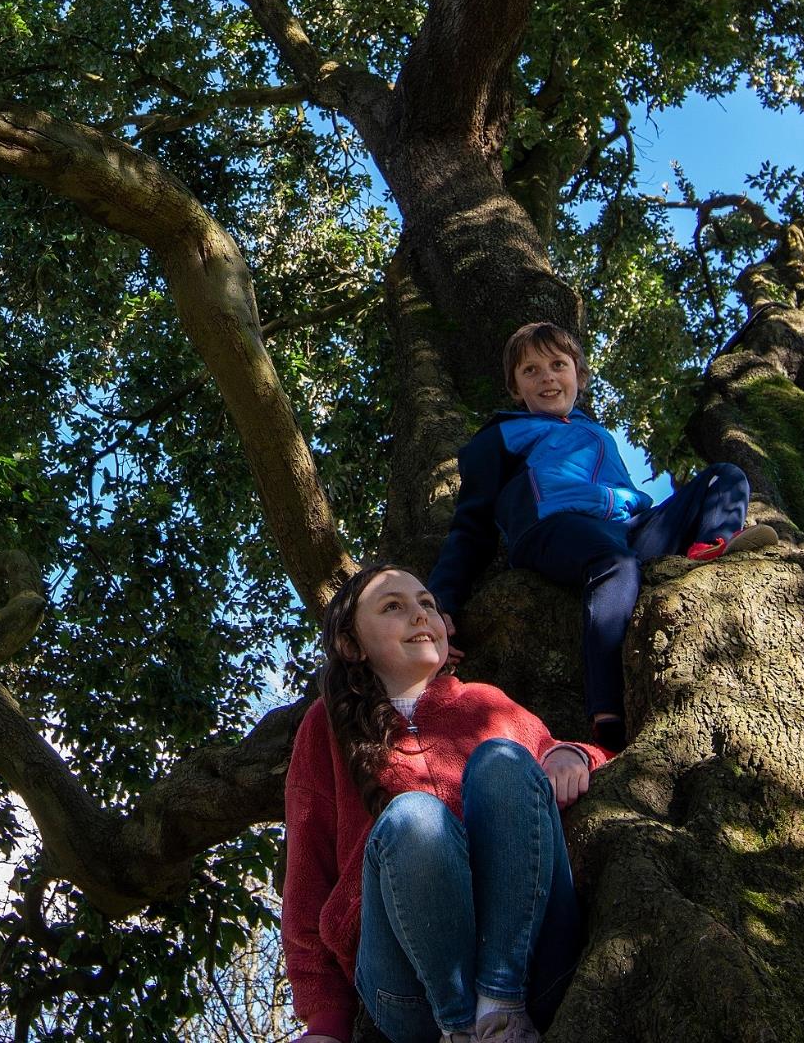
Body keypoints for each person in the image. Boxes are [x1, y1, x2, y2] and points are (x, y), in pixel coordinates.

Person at [283, 562, 608, 1043]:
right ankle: (459, 1030)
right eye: (393, 607)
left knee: (501, 759)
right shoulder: (325, 728)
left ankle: (501, 1012)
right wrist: (325, 1020)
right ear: (352, 646)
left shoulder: (487, 704)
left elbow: (585, 762)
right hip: (409, 989)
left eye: (427, 604)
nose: (418, 615)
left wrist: (570, 753)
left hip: (533, 958)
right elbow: (306, 877)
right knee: (413, 816)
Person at [426, 322, 776, 752]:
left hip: (629, 527)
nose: (547, 377)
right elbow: (470, 524)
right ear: (515, 389)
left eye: (558, 365)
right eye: (530, 371)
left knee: (726, 476)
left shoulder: (596, 432)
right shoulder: (502, 434)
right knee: (615, 565)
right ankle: (608, 714)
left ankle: (707, 549)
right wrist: (441, 604)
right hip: (554, 526)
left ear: (579, 375)